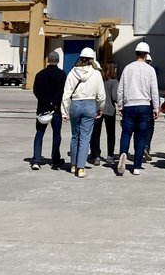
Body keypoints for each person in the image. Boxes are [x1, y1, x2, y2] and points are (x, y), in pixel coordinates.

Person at [115, 41, 160, 176]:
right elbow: (154, 91)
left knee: (126, 133)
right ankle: (136, 166)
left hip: (129, 105)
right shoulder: (150, 70)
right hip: (145, 105)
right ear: (146, 54)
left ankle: (123, 153)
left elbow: (120, 89)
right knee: (141, 136)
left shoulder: (128, 68)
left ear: (135, 53)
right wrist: (156, 108)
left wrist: (120, 105)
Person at [61, 47, 105, 178]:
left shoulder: (73, 72)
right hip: (90, 104)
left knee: (75, 136)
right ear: (92, 59)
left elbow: (66, 93)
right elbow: (101, 95)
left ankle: (73, 165)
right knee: (85, 137)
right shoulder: (96, 73)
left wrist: (64, 111)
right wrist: (100, 108)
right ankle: (80, 168)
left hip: (75, 104)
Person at [31, 50, 66, 170]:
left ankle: (36, 159)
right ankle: (55, 160)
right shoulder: (61, 74)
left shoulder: (40, 74)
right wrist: (53, 103)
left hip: (42, 109)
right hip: (55, 109)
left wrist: (45, 102)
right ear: (58, 61)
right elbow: (61, 92)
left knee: (39, 134)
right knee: (56, 135)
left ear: (48, 60)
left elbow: (36, 91)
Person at [89, 61, 118, 165]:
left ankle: (96, 155)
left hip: (97, 108)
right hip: (110, 109)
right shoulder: (114, 81)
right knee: (110, 133)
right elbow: (115, 97)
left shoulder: (98, 79)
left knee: (96, 133)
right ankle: (110, 155)